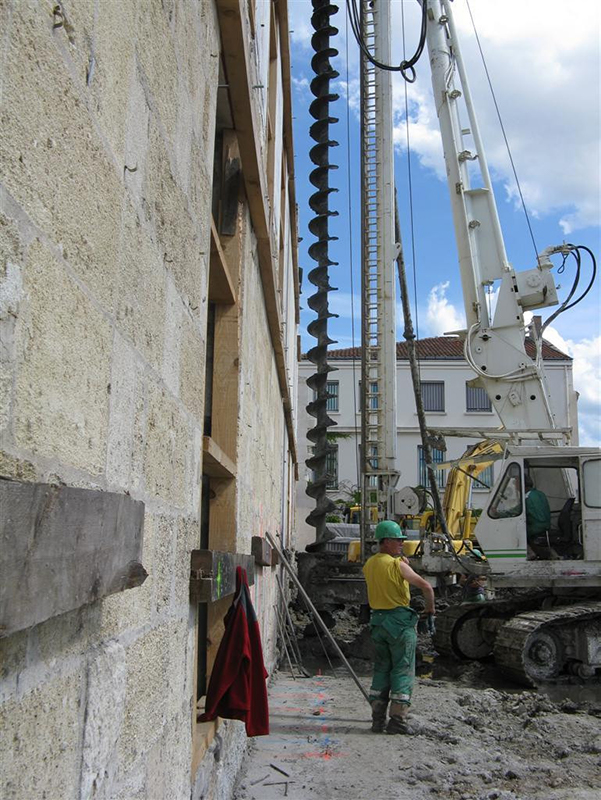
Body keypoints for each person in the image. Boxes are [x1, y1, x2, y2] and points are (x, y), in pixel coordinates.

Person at [362, 520, 436, 734]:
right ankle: (397, 721)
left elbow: (385, 579)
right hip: (399, 624)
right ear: (385, 541)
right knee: (402, 670)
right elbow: (426, 587)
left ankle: (377, 720)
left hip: (378, 624)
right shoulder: (397, 565)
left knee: (382, 670)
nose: (401, 543)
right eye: (398, 540)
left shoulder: (369, 564)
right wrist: (430, 610)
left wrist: (401, 564)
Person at [524, 474, 552, 558]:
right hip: (546, 525)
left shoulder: (528, 497)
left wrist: (500, 513)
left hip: (537, 527)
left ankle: (530, 554)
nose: (514, 486)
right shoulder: (539, 493)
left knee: (517, 532)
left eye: (515, 483)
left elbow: (518, 510)